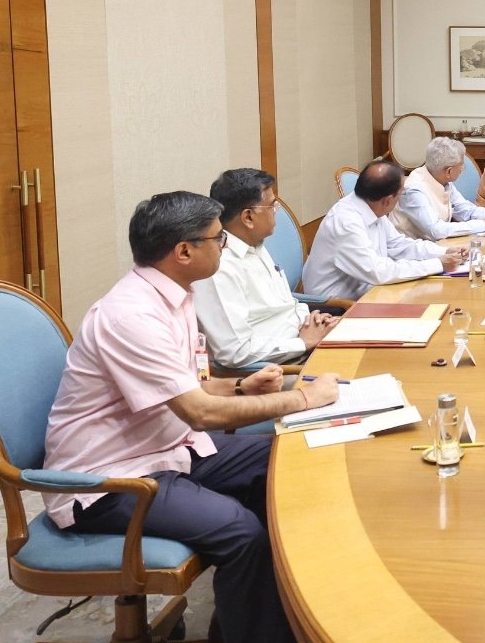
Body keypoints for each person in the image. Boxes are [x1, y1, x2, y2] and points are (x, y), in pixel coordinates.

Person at [43, 192, 342, 643]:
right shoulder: (131, 316)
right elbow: (198, 412)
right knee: (243, 534)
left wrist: (240, 386)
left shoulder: (174, 294)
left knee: (287, 462)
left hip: (167, 448)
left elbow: (187, 387)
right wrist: (302, 400)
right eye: (218, 238)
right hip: (109, 480)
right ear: (184, 251)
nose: (224, 246)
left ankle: (254, 618)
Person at [193, 168, 338, 371]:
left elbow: (284, 304)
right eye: (272, 205)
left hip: (303, 342)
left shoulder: (255, 244)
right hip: (280, 368)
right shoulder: (219, 267)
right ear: (248, 217)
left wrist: (310, 319)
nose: (276, 210)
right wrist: (302, 343)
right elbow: (234, 351)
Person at [302, 159, 464, 301]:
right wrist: (438, 264)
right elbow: (378, 272)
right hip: (336, 307)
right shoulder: (346, 223)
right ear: (387, 200)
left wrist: (443, 252)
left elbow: (399, 245)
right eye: (400, 194)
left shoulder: (372, 206)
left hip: (369, 290)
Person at [391, 137, 485, 241]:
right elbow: (436, 230)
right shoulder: (413, 190)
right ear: (448, 171)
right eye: (461, 166)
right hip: (413, 253)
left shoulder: (441, 179)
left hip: (438, 246)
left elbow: (464, 210)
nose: (462, 169)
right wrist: (483, 224)